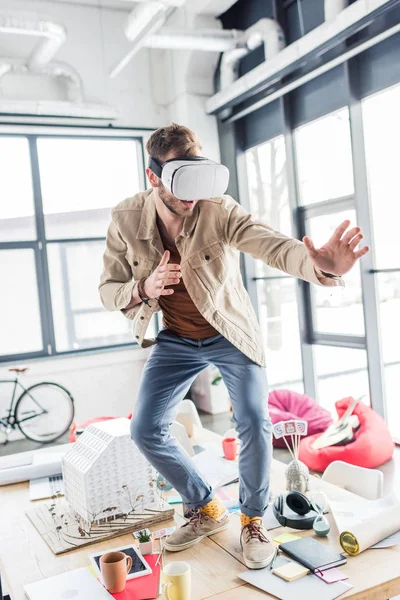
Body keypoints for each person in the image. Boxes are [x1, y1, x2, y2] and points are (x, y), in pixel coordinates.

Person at [99, 123, 369, 569]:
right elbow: (108, 289)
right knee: (144, 429)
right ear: (153, 177)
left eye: (197, 178)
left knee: (254, 421)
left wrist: (319, 267)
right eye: (179, 182)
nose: (191, 197)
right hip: (176, 340)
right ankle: (204, 507)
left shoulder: (216, 208)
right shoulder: (126, 217)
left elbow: (272, 245)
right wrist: (143, 286)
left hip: (229, 333)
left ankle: (252, 521)